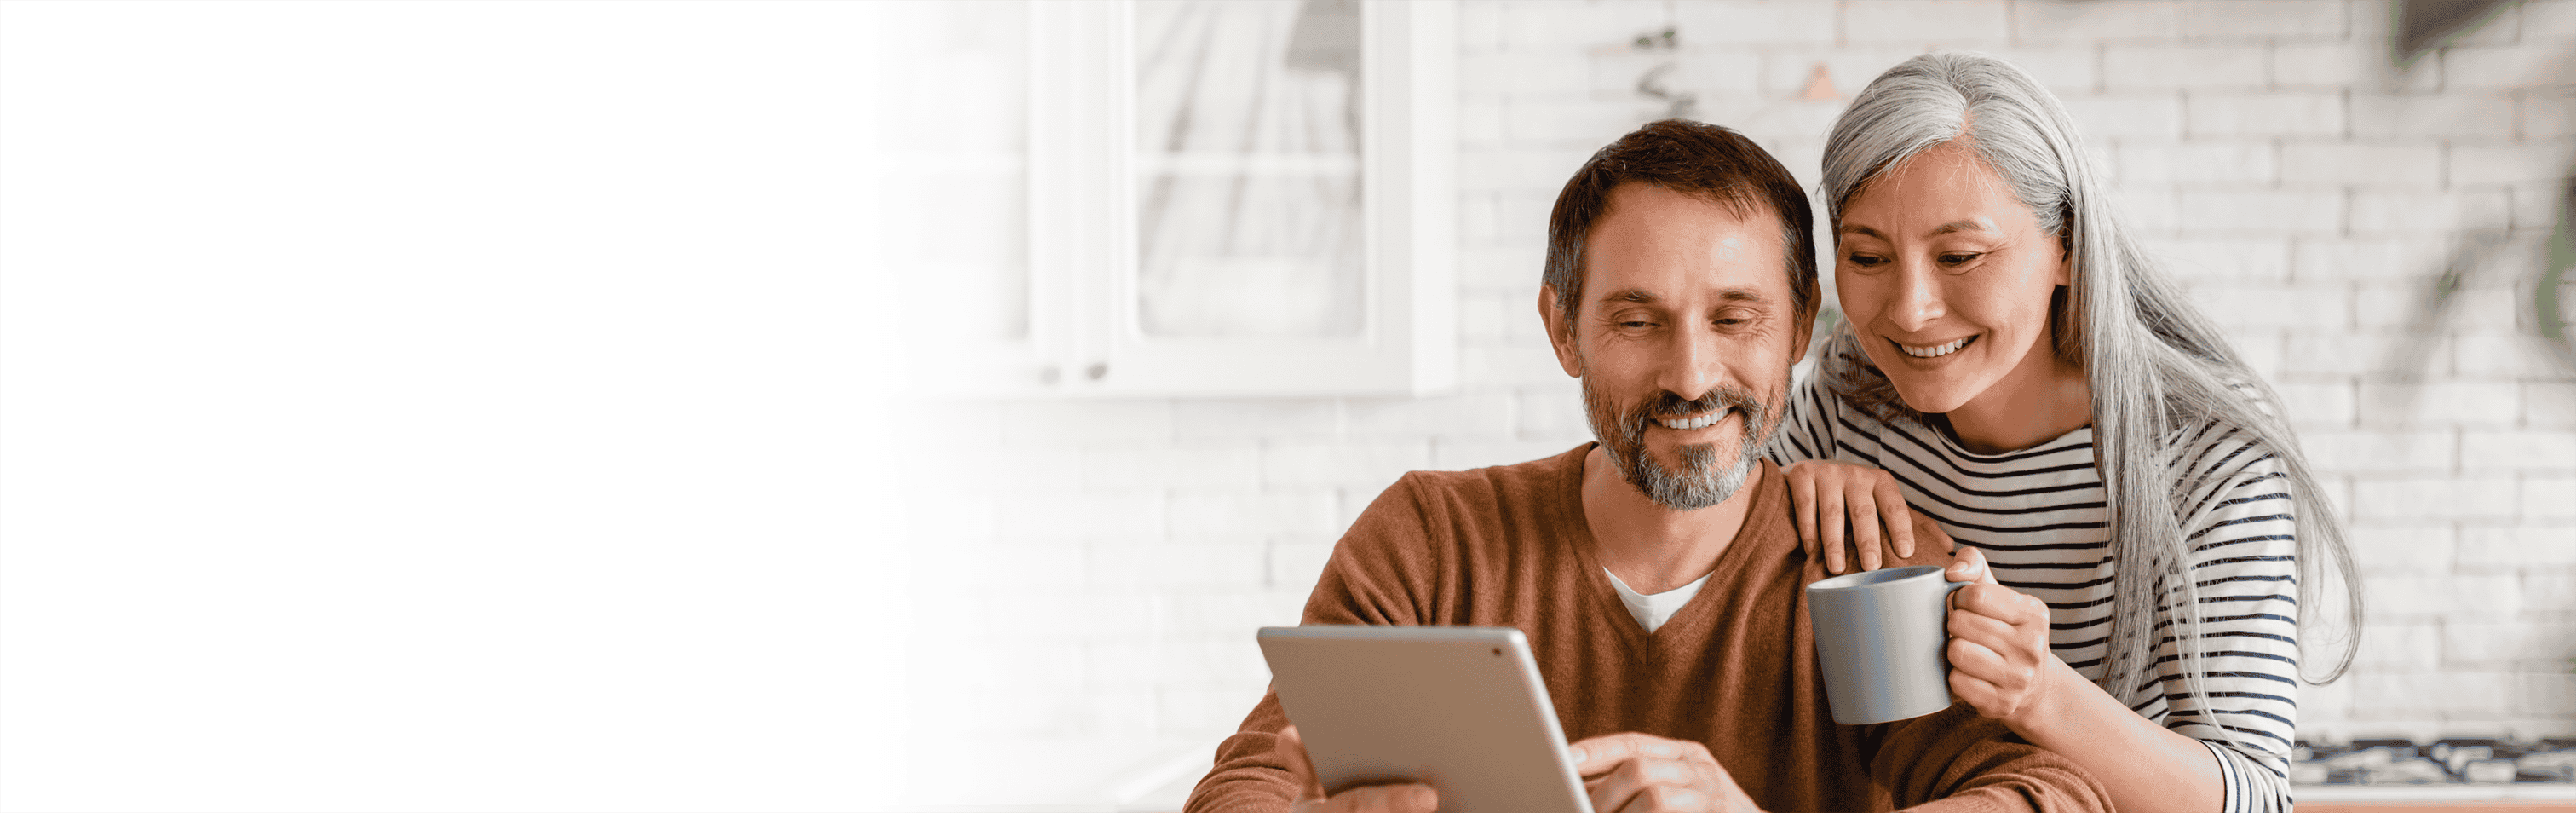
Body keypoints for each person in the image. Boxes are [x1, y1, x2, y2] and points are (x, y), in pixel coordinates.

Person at [1184, 119, 2111, 813]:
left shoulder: (1860, 561)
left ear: (1799, 326)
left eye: (1735, 318)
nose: (1692, 376)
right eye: (1637, 321)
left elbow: (2048, 794)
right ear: (1563, 330)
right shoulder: (1435, 544)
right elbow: (1249, 780)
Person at [1763, 53, 2362, 813]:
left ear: (2067, 249)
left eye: (1960, 257)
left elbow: (2252, 798)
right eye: (1868, 256)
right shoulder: (1848, 402)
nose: (1909, 309)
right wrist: (1782, 489)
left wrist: (2040, 692)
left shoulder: (2206, 455)